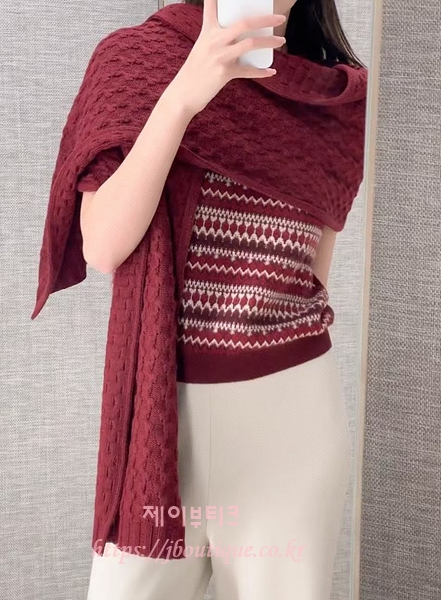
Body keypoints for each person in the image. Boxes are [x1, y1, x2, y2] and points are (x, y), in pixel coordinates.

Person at [32, 0, 367, 598]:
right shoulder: (134, 61)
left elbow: (313, 278)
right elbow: (103, 245)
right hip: (162, 418)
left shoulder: (331, 98)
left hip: (290, 425)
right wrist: (185, 93)